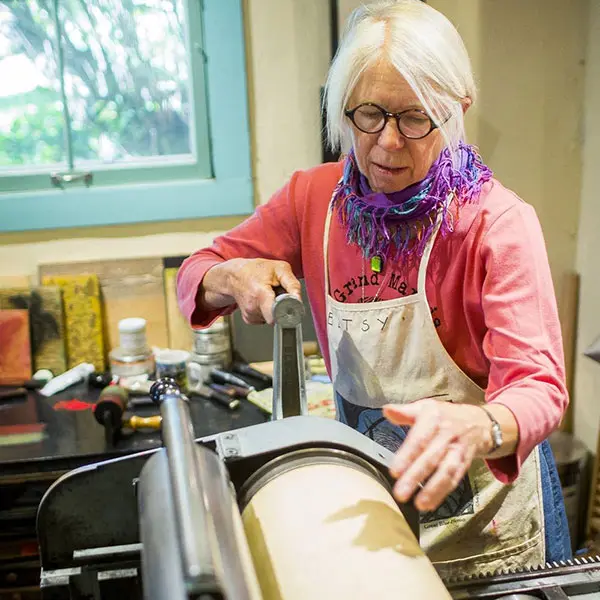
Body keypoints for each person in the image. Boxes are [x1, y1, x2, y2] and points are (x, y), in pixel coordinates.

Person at [177, 0, 571, 579]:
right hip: (376, 512)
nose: (387, 144)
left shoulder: (494, 222)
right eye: (369, 114)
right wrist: (228, 276)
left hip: (491, 531)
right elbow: (199, 269)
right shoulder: (313, 200)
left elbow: (539, 386)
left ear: (455, 109)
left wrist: (482, 425)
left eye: (415, 119)